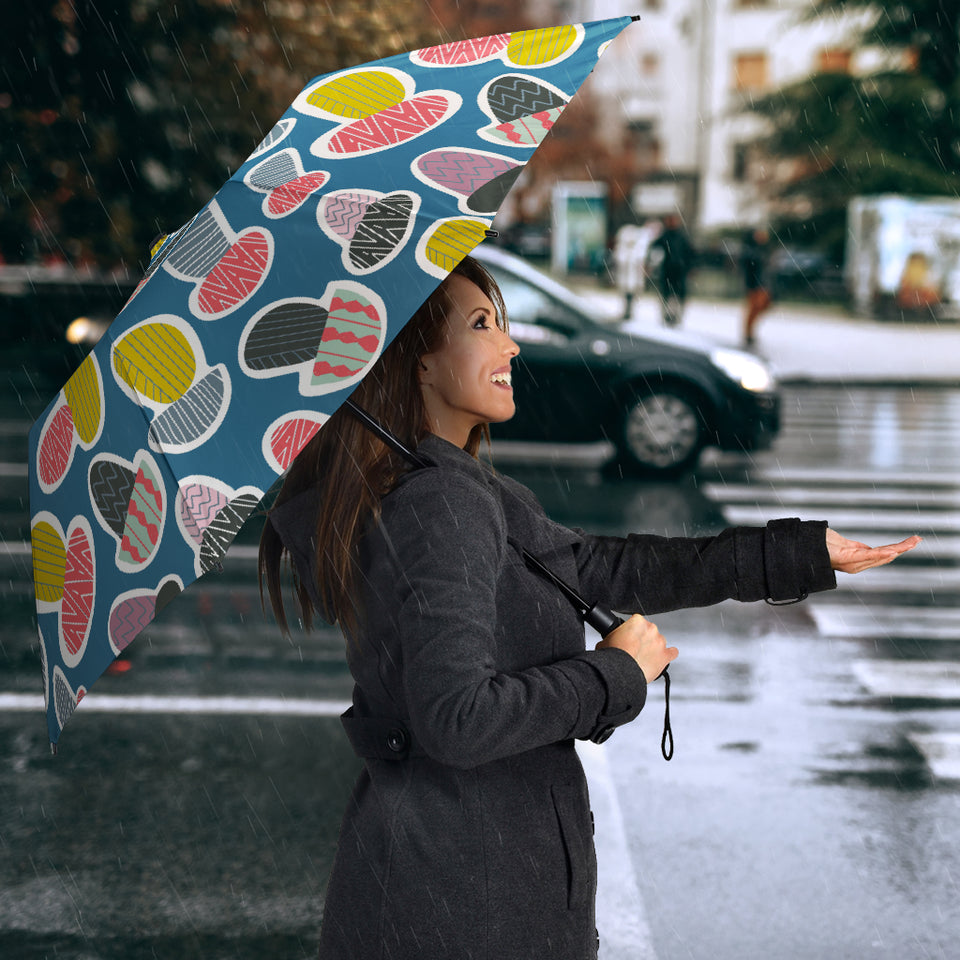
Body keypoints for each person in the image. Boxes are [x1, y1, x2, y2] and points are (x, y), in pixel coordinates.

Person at [258, 255, 919, 960]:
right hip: (467, 902)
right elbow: (456, 719)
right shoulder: (440, 503)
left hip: (451, 883)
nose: (510, 345)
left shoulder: (448, 488)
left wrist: (796, 554)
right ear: (416, 362)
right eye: (483, 325)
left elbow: (603, 567)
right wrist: (614, 674)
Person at [648, 213, 695, 327]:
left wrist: (690, 267)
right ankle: (667, 315)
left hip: (679, 271)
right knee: (667, 294)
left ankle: (675, 316)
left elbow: (690, 253)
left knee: (677, 295)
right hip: (668, 270)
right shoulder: (665, 236)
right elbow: (654, 249)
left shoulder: (681, 237)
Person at [741, 226, 773, 347]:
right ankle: (748, 333)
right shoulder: (751, 250)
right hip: (755, 284)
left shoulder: (763, 249)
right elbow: (750, 265)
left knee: (762, 306)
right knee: (754, 308)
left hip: (763, 283)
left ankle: (750, 331)